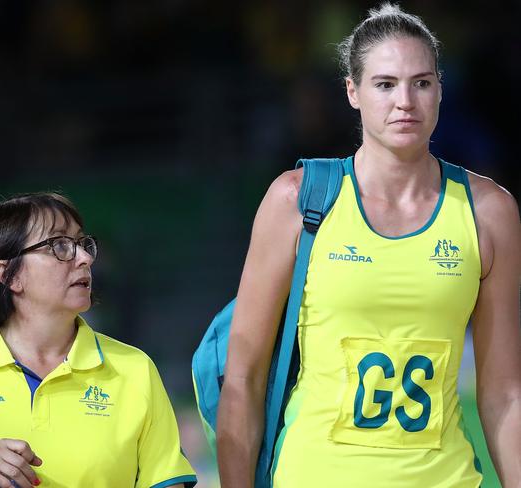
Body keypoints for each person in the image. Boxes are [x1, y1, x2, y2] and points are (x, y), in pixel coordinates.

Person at [216, 3, 521, 487]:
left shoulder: (489, 211)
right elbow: (242, 382)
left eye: (421, 83)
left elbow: (505, 392)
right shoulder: (297, 199)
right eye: (385, 84)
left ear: (440, 90)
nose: (406, 101)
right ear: (353, 92)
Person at [0, 192, 197, 488]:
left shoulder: (134, 369)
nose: (84, 258)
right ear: (8, 274)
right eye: (60, 246)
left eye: (84, 244)